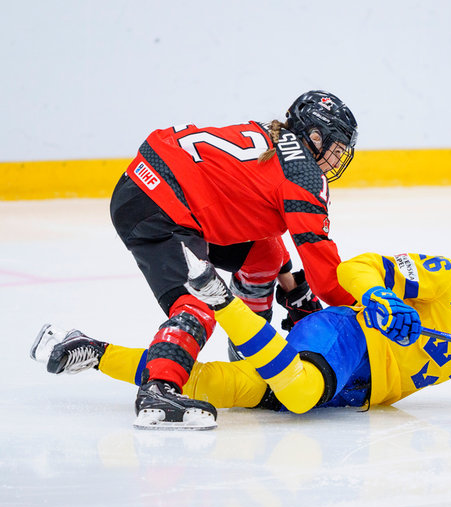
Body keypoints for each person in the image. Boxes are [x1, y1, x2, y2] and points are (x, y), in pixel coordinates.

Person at [31, 230, 451, 425]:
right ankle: (222, 300)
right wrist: (378, 297)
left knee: (214, 387)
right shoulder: (449, 278)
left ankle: (91, 350)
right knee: (300, 395)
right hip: (347, 339)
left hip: (357, 391)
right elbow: (359, 268)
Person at [62, 90, 358, 429]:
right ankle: (160, 389)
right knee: (199, 304)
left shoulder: (273, 137)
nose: (337, 160)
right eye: (336, 148)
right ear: (315, 136)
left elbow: (250, 204)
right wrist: (359, 307)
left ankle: (247, 342)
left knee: (266, 254)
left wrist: (288, 280)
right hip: (161, 207)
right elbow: (326, 275)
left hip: (158, 190)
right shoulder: (304, 175)